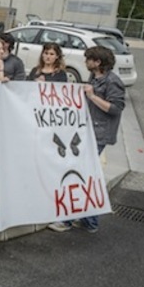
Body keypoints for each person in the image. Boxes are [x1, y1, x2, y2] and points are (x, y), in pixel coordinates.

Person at [49, 46, 125, 234]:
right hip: (89, 132)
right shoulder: (95, 78)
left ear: (97, 62)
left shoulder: (112, 82)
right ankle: (89, 221)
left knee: (78, 173)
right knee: (85, 174)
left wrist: (92, 96)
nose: (85, 61)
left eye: (88, 59)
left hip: (99, 135)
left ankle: (67, 221)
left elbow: (116, 108)